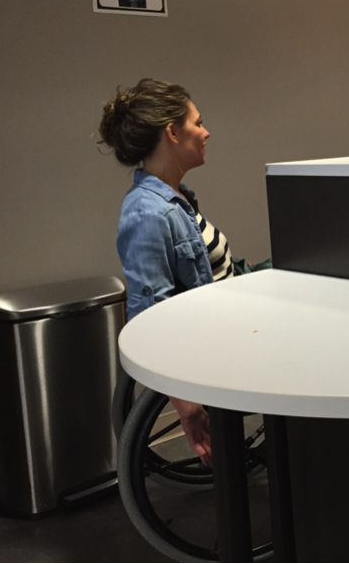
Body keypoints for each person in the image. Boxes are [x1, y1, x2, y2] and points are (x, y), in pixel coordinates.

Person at [98, 78, 232, 465]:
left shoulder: (177, 198)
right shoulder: (148, 215)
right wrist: (187, 406)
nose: (206, 132)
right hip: (220, 342)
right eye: (198, 122)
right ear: (172, 132)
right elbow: (149, 315)